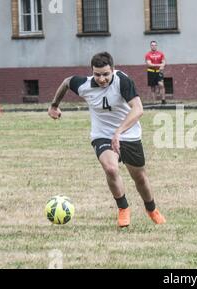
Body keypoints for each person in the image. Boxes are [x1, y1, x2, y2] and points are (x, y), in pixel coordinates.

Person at [48, 52, 166, 228]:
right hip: (102, 134)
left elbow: (138, 109)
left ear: (113, 70)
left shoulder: (122, 81)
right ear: (92, 72)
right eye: (97, 74)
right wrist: (54, 105)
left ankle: (151, 209)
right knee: (111, 168)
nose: (101, 79)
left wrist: (119, 132)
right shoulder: (84, 85)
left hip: (129, 133)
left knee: (139, 177)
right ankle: (123, 208)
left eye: (105, 74)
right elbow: (66, 82)